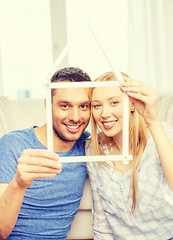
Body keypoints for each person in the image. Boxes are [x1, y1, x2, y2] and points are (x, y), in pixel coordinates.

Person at [0, 67, 91, 240]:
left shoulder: (88, 146)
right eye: (65, 106)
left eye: (83, 106)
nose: (75, 117)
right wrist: (19, 183)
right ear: (47, 106)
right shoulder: (12, 145)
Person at [86, 72, 173, 239]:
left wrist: (152, 121)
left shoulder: (161, 134)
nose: (104, 113)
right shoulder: (92, 149)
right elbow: (101, 224)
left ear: (132, 104)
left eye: (114, 102)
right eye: (97, 106)